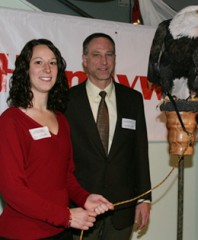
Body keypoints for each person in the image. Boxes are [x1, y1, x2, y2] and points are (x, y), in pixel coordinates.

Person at [0, 39, 114, 239]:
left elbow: (66, 177)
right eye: (38, 62)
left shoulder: (61, 119)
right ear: (25, 70)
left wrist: (85, 198)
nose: (47, 69)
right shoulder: (11, 121)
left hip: (60, 231)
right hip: (23, 233)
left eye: (52, 63)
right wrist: (67, 216)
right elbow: (13, 190)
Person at [65, 33, 152, 239]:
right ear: (85, 60)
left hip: (122, 210)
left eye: (109, 54)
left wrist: (144, 199)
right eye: (96, 55)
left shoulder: (132, 99)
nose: (104, 61)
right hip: (81, 209)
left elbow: (140, 152)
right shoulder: (67, 100)